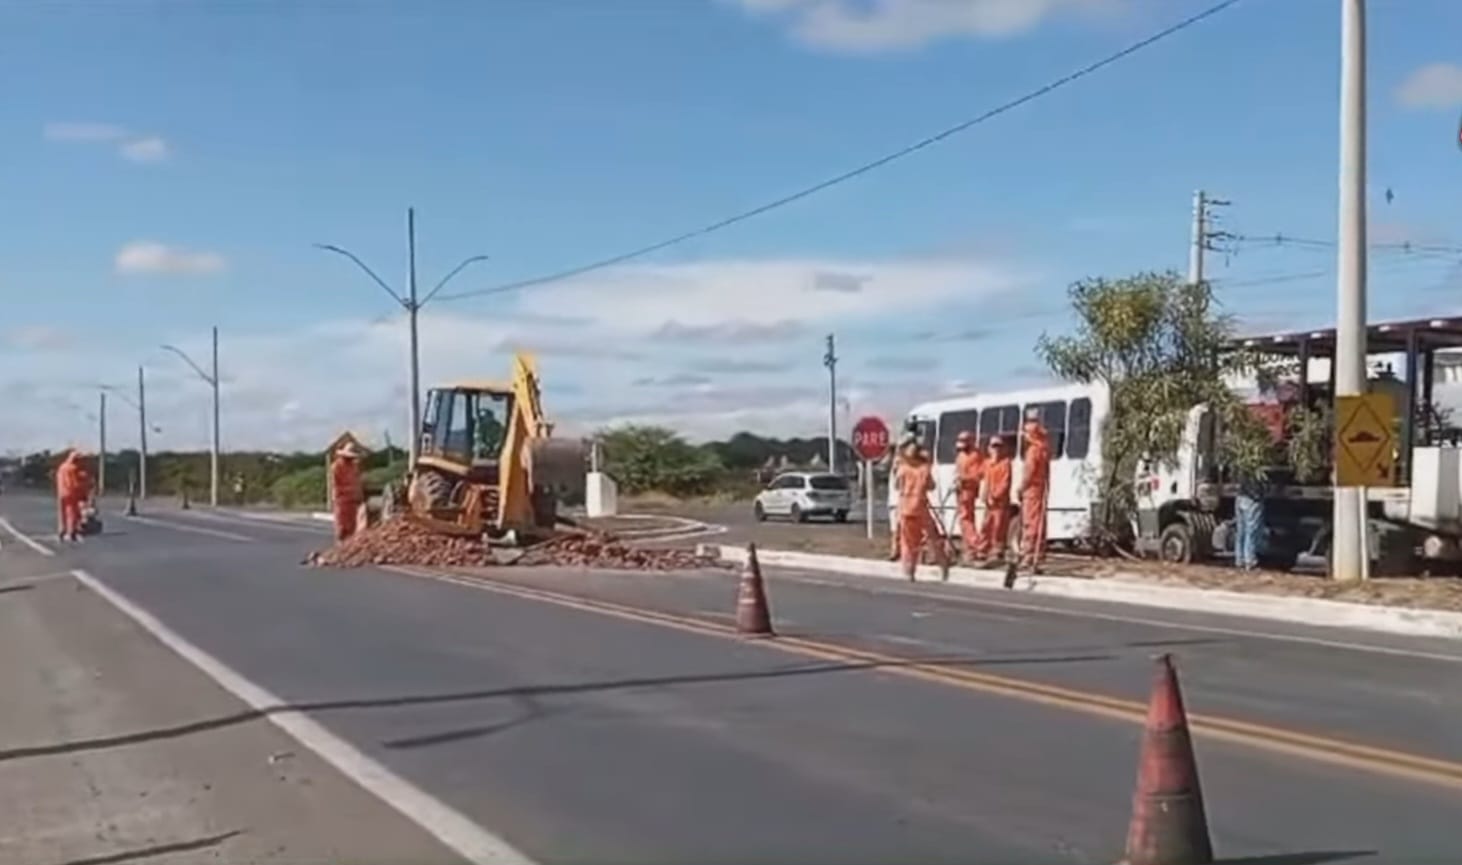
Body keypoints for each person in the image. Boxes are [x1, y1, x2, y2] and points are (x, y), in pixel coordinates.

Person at [896, 440, 949, 582]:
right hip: (921, 507)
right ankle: (943, 566)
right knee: (933, 538)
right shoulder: (924, 469)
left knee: (908, 542)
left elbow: (897, 486)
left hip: (906, 508)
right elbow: (931, 486)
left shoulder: (903, 469)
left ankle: (909, 570)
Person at [1017, 414, 1052, 573]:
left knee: (1030, 523)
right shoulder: (1044, 449)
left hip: (1031, 491)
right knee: (1039, 522)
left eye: (1025, 432)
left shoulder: (1033, 451)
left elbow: (1029, 474)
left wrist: (1021, 488)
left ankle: (1028, 556)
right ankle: (1037, 555)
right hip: (1041, 490)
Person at [975, 436, 1012, 565]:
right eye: (993, 446)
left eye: (998, 446)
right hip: (989, 502)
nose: (996, 449)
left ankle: (997, 552)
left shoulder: (1006, 463)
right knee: (986, 526)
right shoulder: (987, 463)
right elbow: (979, 476)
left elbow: (1005, 484)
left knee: (999, 527)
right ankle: (982, 551)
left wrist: (994, 496)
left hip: (1000, 503)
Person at [953, 430, 985, 563]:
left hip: (968, 491)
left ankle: (977, 545)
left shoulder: (975, 456)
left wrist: (963, 479)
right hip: (960, 490)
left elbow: (978, 475)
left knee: (966, 519)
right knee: (963, 519)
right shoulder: (961, 455)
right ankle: (969, 549)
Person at [330, 442, 365, 542]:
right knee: (342, 528)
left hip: (353, 502)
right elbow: (336, 485)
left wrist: (359, 494)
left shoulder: (354, 467)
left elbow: (358, 482)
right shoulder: (336, 467)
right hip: (341, 501)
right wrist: (350, 490)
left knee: (353, 528)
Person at [1234, 472, 1267, 571]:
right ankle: (1250, 562)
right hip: (1252, 500)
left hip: (1240, 498)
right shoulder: (1258, 471)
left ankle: (1239, 561)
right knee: (1251, 532)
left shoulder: (1243, 468)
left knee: (1241, 532)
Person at [55, 449, 86, 543]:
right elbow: (75, 483)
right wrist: (82, 493)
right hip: (71, 493)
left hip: (61, 492)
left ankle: (61, 530)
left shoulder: (62, 467)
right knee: (71, 513)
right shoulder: (73, 468)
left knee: (62, 513)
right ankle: (71, 531)